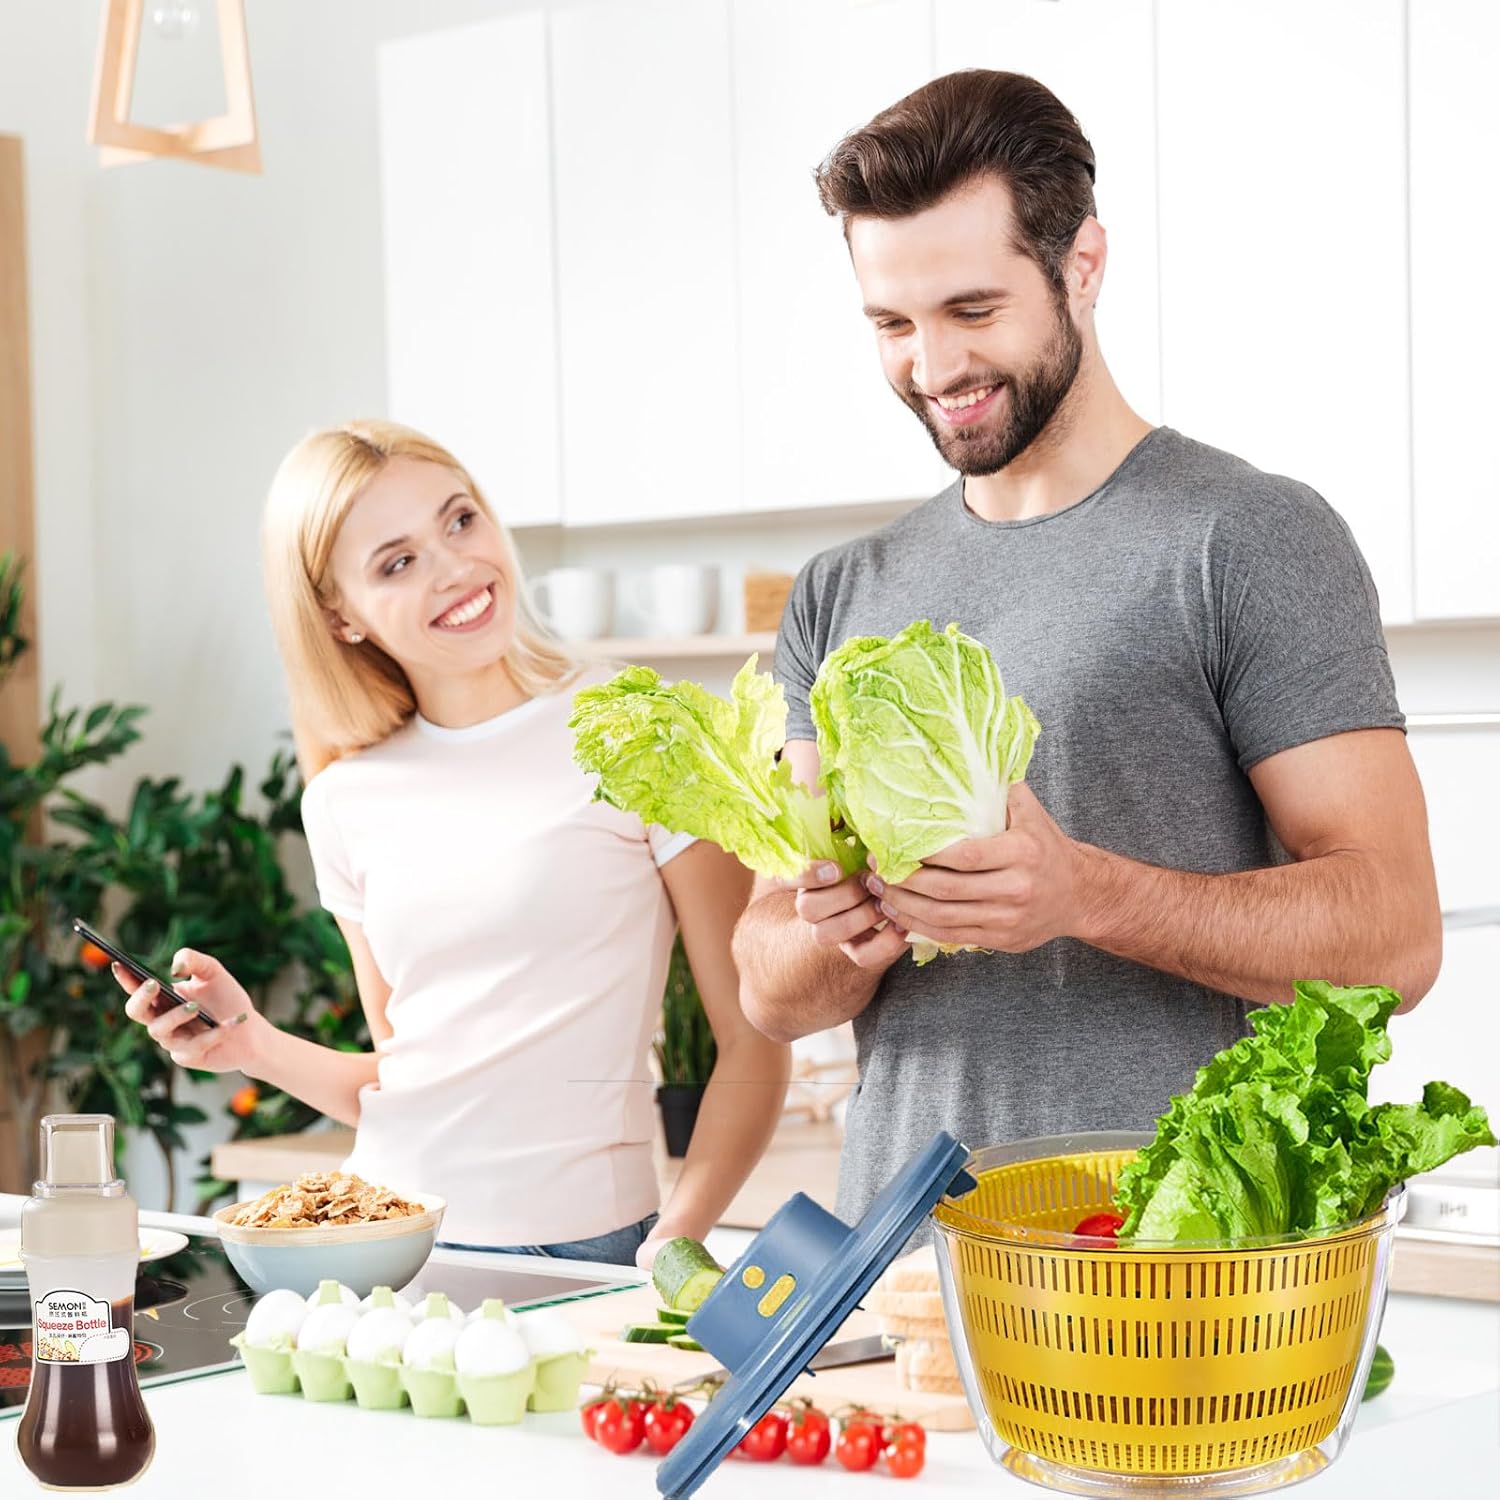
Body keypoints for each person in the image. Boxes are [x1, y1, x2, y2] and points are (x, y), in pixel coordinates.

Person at [732, 71, 1442, 1234]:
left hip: (1174, 1268)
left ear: (1083, 266)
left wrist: (1086, 895)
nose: (933, 367)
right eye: (892, 324)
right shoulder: (840, 592)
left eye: (972, 311)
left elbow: (1396, 938)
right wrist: (836, 935)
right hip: (906, 1268)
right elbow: (768, 983)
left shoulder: (1247, 536)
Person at [115, 419, 790, 1266]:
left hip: (584, 1244)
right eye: (397, 562)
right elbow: (409, 1083)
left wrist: (676, 1237)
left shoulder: (641, 735)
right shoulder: (343, 800)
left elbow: (756, 1037)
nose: (456, 568)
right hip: (383, 1239)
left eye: (459, 520)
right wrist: (248, 1041)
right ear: (341, 617)